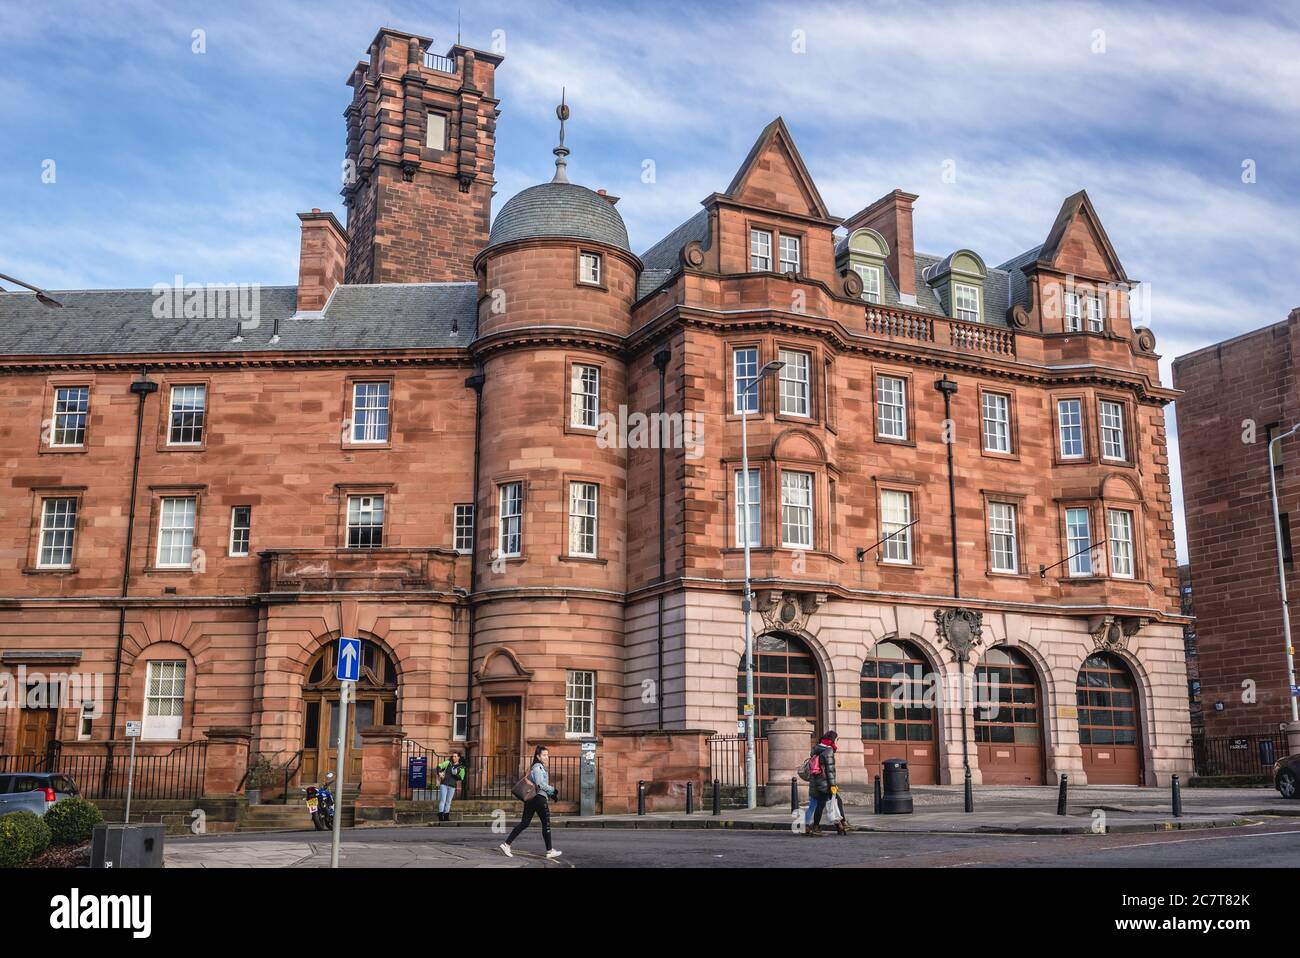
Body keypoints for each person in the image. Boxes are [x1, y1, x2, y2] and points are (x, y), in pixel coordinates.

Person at [500, 744, 562, 859]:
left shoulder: (537, 767)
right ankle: (549, 851)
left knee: (524, 823)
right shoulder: (538, 768)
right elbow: (540, 784)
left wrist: (551, 794)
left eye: (547, 755)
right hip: (538, 799)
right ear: (538, 756)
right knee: (546, 824)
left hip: (532, 799)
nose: (546, 757)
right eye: (544, 755)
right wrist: (553, 790)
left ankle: (506, 844)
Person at [803, 730, 839, 837]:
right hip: (824, 783)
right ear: (832, 739)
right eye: (836, 739)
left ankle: (806, 826)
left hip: (814, 782)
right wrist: (833, 785)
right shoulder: (828, 751)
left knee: (813, 805)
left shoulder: (816, 749)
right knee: (828, 803)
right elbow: (830, 770)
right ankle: (817, 827)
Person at [435, 752, 465, 822]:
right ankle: (440, 816)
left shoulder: (461, 767)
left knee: (448, 801)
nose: (453, 758)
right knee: (443, 800)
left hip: (452, 785)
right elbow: (439, 766)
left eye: (455, 756)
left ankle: (446, 817)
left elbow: (461, 777)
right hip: (444, 784)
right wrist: (439, 772)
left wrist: (455, 775)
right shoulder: (448, 763)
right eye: (453, 756)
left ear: (458, 757)